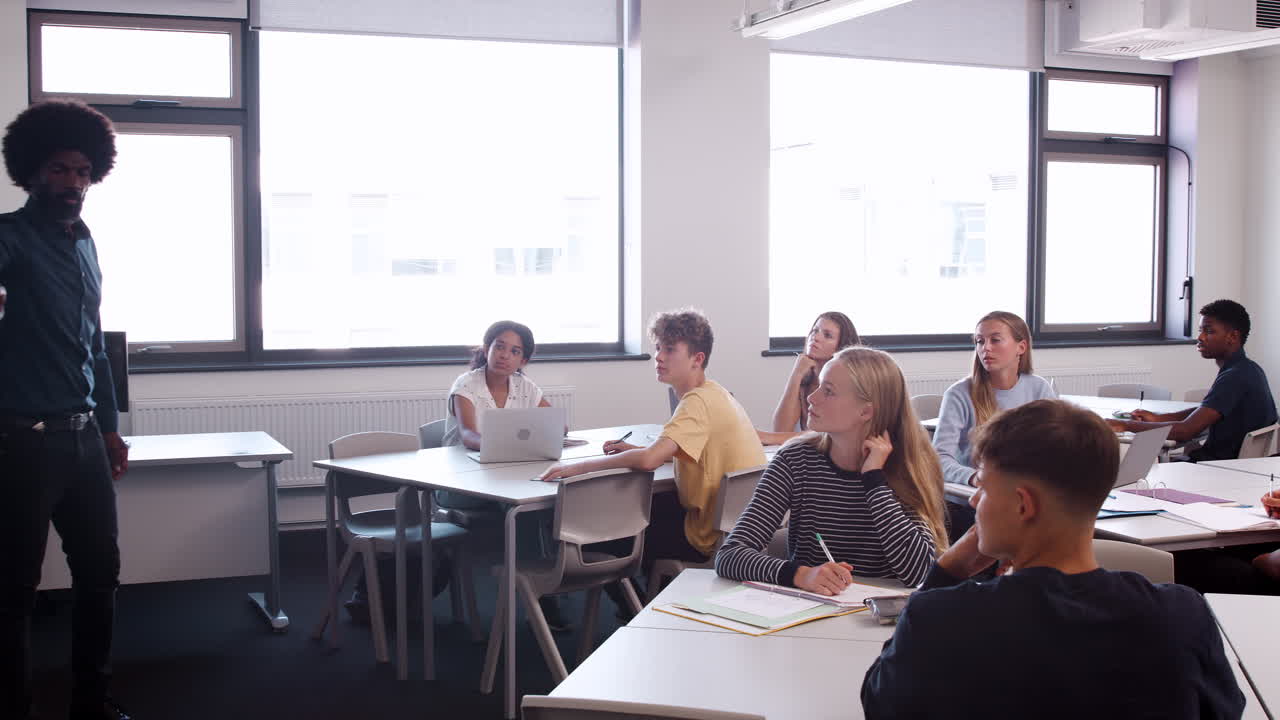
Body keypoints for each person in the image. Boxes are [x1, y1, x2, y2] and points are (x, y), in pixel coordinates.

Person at [861, 399, 1246, 719]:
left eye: (981, 485)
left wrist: (946, 572)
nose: (975, 502)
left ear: (1022, 504)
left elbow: (880, 703)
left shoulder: (941, 619)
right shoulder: (1182, 616)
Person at [0, 101, 132, 720]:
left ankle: (91, 702)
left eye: (82, 172)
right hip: (22, 442)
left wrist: (109, 430)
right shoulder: (7, 239)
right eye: (59, 170)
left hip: (83, 440)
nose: (73, 184)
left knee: (101, 575)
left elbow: (95, 347)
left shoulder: (86, 244)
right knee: (14, 592)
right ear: (30, 172)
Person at [538, 309, 765, 588]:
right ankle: (645, 597)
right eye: (658, 348)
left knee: (612, 529)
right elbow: (687, 453)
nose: (658, 356)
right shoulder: (717, 393)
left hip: (705, 537)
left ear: (697, 359)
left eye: (670, 349)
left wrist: (577, 467)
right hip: (736, 531)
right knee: (650, 505)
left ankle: (630, 610)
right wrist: (632, 450)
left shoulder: (696, 403)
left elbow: (648, 461)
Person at [716, 346, 947, 592]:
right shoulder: (795, 460)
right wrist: (801, 575)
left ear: (866, 411)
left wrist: (874, 481)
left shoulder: (905, 467)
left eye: (828, 391)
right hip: (811, 614)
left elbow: (919, 573)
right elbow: (730, 555)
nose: (811, 398)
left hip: (878, 619)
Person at [1108, 299, 1277, 461]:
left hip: (1216, 469)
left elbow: (1185, 431)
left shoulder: (1235, 377)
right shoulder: (1248, 369)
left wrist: (1126, 425)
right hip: (1233, 466)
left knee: (1131, 462)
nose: (1201, 337)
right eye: (1200, 330)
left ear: (1232, 337)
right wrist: (1159, 418)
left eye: (1209, 331)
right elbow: (1207, 410)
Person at [934, 310, 1055, 488]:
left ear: (1021, 347)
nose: (986, 348)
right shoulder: (958, 394)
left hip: (1024, 491)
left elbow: (1055, 449)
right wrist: (975, 477)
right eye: (980, 341)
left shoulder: (1039, 388)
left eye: (995, 340)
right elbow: (939, 458)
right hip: (973, 498)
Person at [757, 311, 858, 446]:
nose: (815, 337)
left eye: (827, 335)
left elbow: (826, 435)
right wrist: (796, 375)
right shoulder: (806, 378)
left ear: (841, 346)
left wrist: (767, 437)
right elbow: (781, 429)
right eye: (814, 331)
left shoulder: (845, 384)